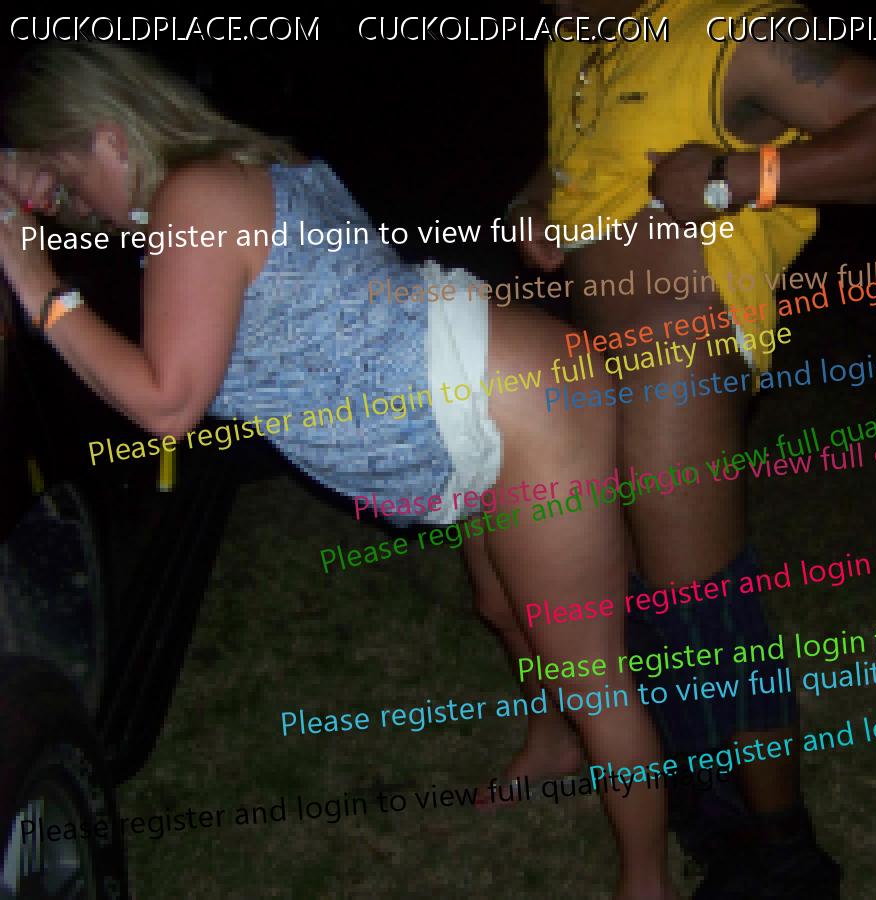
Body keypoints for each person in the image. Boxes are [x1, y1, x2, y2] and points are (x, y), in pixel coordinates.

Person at [0, 44, 679, 900]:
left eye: (68, 180)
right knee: (502, 607)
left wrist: (38, 287)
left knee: (590, 670)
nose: (68, 207)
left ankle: (647, 881)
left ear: (107, 135)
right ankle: (553, 744)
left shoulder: (196, 197)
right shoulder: (219, 180)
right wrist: (31, 182)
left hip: (520, 405)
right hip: (472, 403)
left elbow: (167, 402)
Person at [477, 2, 876, 897]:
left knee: (704, 611)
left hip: (683, 349)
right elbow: (574, 156)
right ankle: (712, 810)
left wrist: (738, 176)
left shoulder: (734, 31)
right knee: (634, 600)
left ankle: (785, 853)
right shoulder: (575, 43)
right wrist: (530, 202)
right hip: (592, 352)